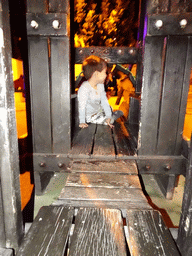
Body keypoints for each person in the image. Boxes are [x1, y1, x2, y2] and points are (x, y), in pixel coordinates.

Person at [77, 55, 123, 129]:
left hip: (99, 111)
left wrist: (108, 115)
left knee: (108, 108)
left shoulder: (100, 85)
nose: (106, 75)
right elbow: (81, 106)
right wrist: (82, 121)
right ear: (96, 74)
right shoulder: (84, 88)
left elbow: (104, 102)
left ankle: (110, 115)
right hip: (90, 117)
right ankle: (113, 117)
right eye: (105, 72)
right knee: (108, 121)